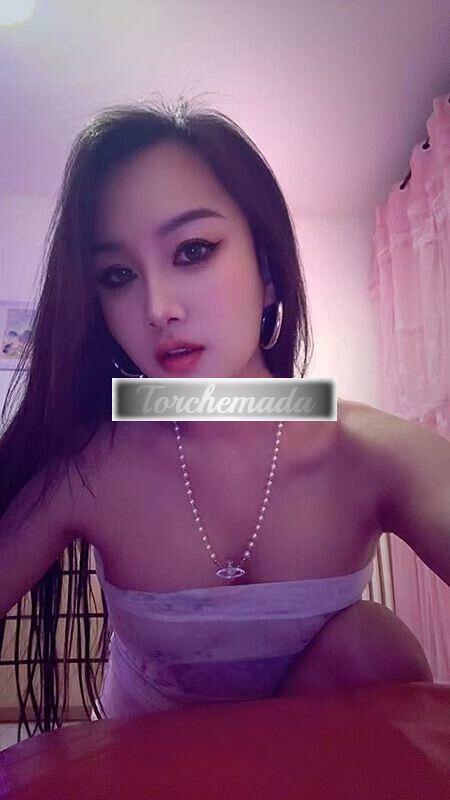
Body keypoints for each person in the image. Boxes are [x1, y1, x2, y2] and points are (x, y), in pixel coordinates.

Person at [0, 95, 446, 741]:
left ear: (268, 273)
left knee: (371, 643)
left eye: (192, 251)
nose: (158, 308)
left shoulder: (368, 451)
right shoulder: (88, 463)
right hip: (143, 766)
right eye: (118, 275)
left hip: (310, 766)